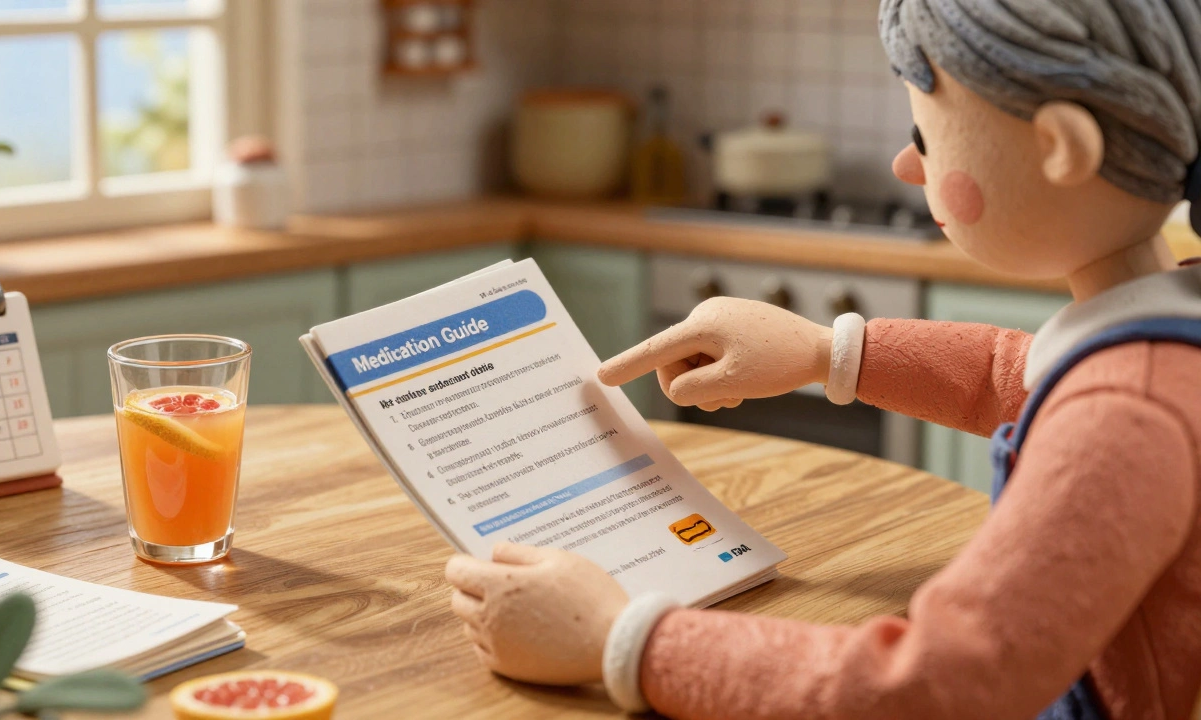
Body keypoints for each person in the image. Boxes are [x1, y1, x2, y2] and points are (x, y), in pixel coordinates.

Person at [444, 1, 1201, 717]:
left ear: (1060, 147)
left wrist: (622, 639)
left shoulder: (1127, 411)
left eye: (932, 140)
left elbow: (944, 683)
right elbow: (1018, 378)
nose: (909, 165)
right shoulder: (1166, 328)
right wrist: (823, 352)